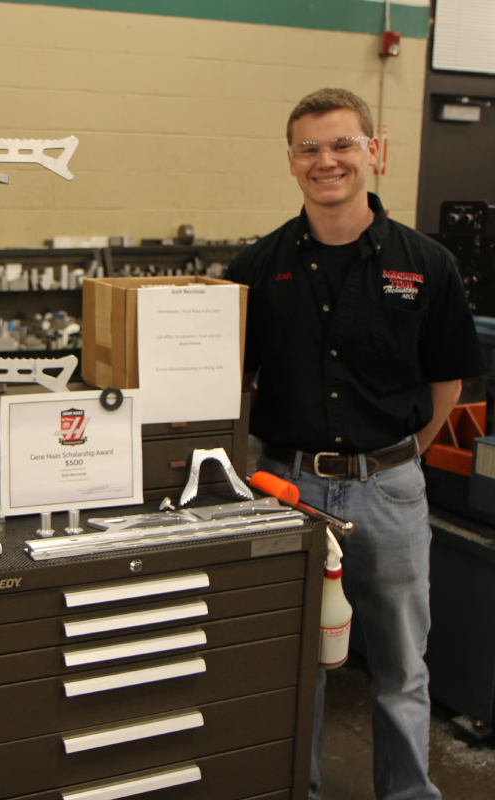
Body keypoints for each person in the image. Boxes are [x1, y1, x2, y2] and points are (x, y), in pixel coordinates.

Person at [227, 88, 484, 800]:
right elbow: (230, 388)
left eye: (342, 144)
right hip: (287, 490)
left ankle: (406, 792)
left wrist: (394, 464)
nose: (326, 161)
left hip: (391, 490)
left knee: (402, 667)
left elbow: (446, 390)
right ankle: (297, 789)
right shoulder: (256, 269)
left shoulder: (425, 265)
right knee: (296, 666)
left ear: (375, 151)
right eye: (309, 148)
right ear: (290, 162)